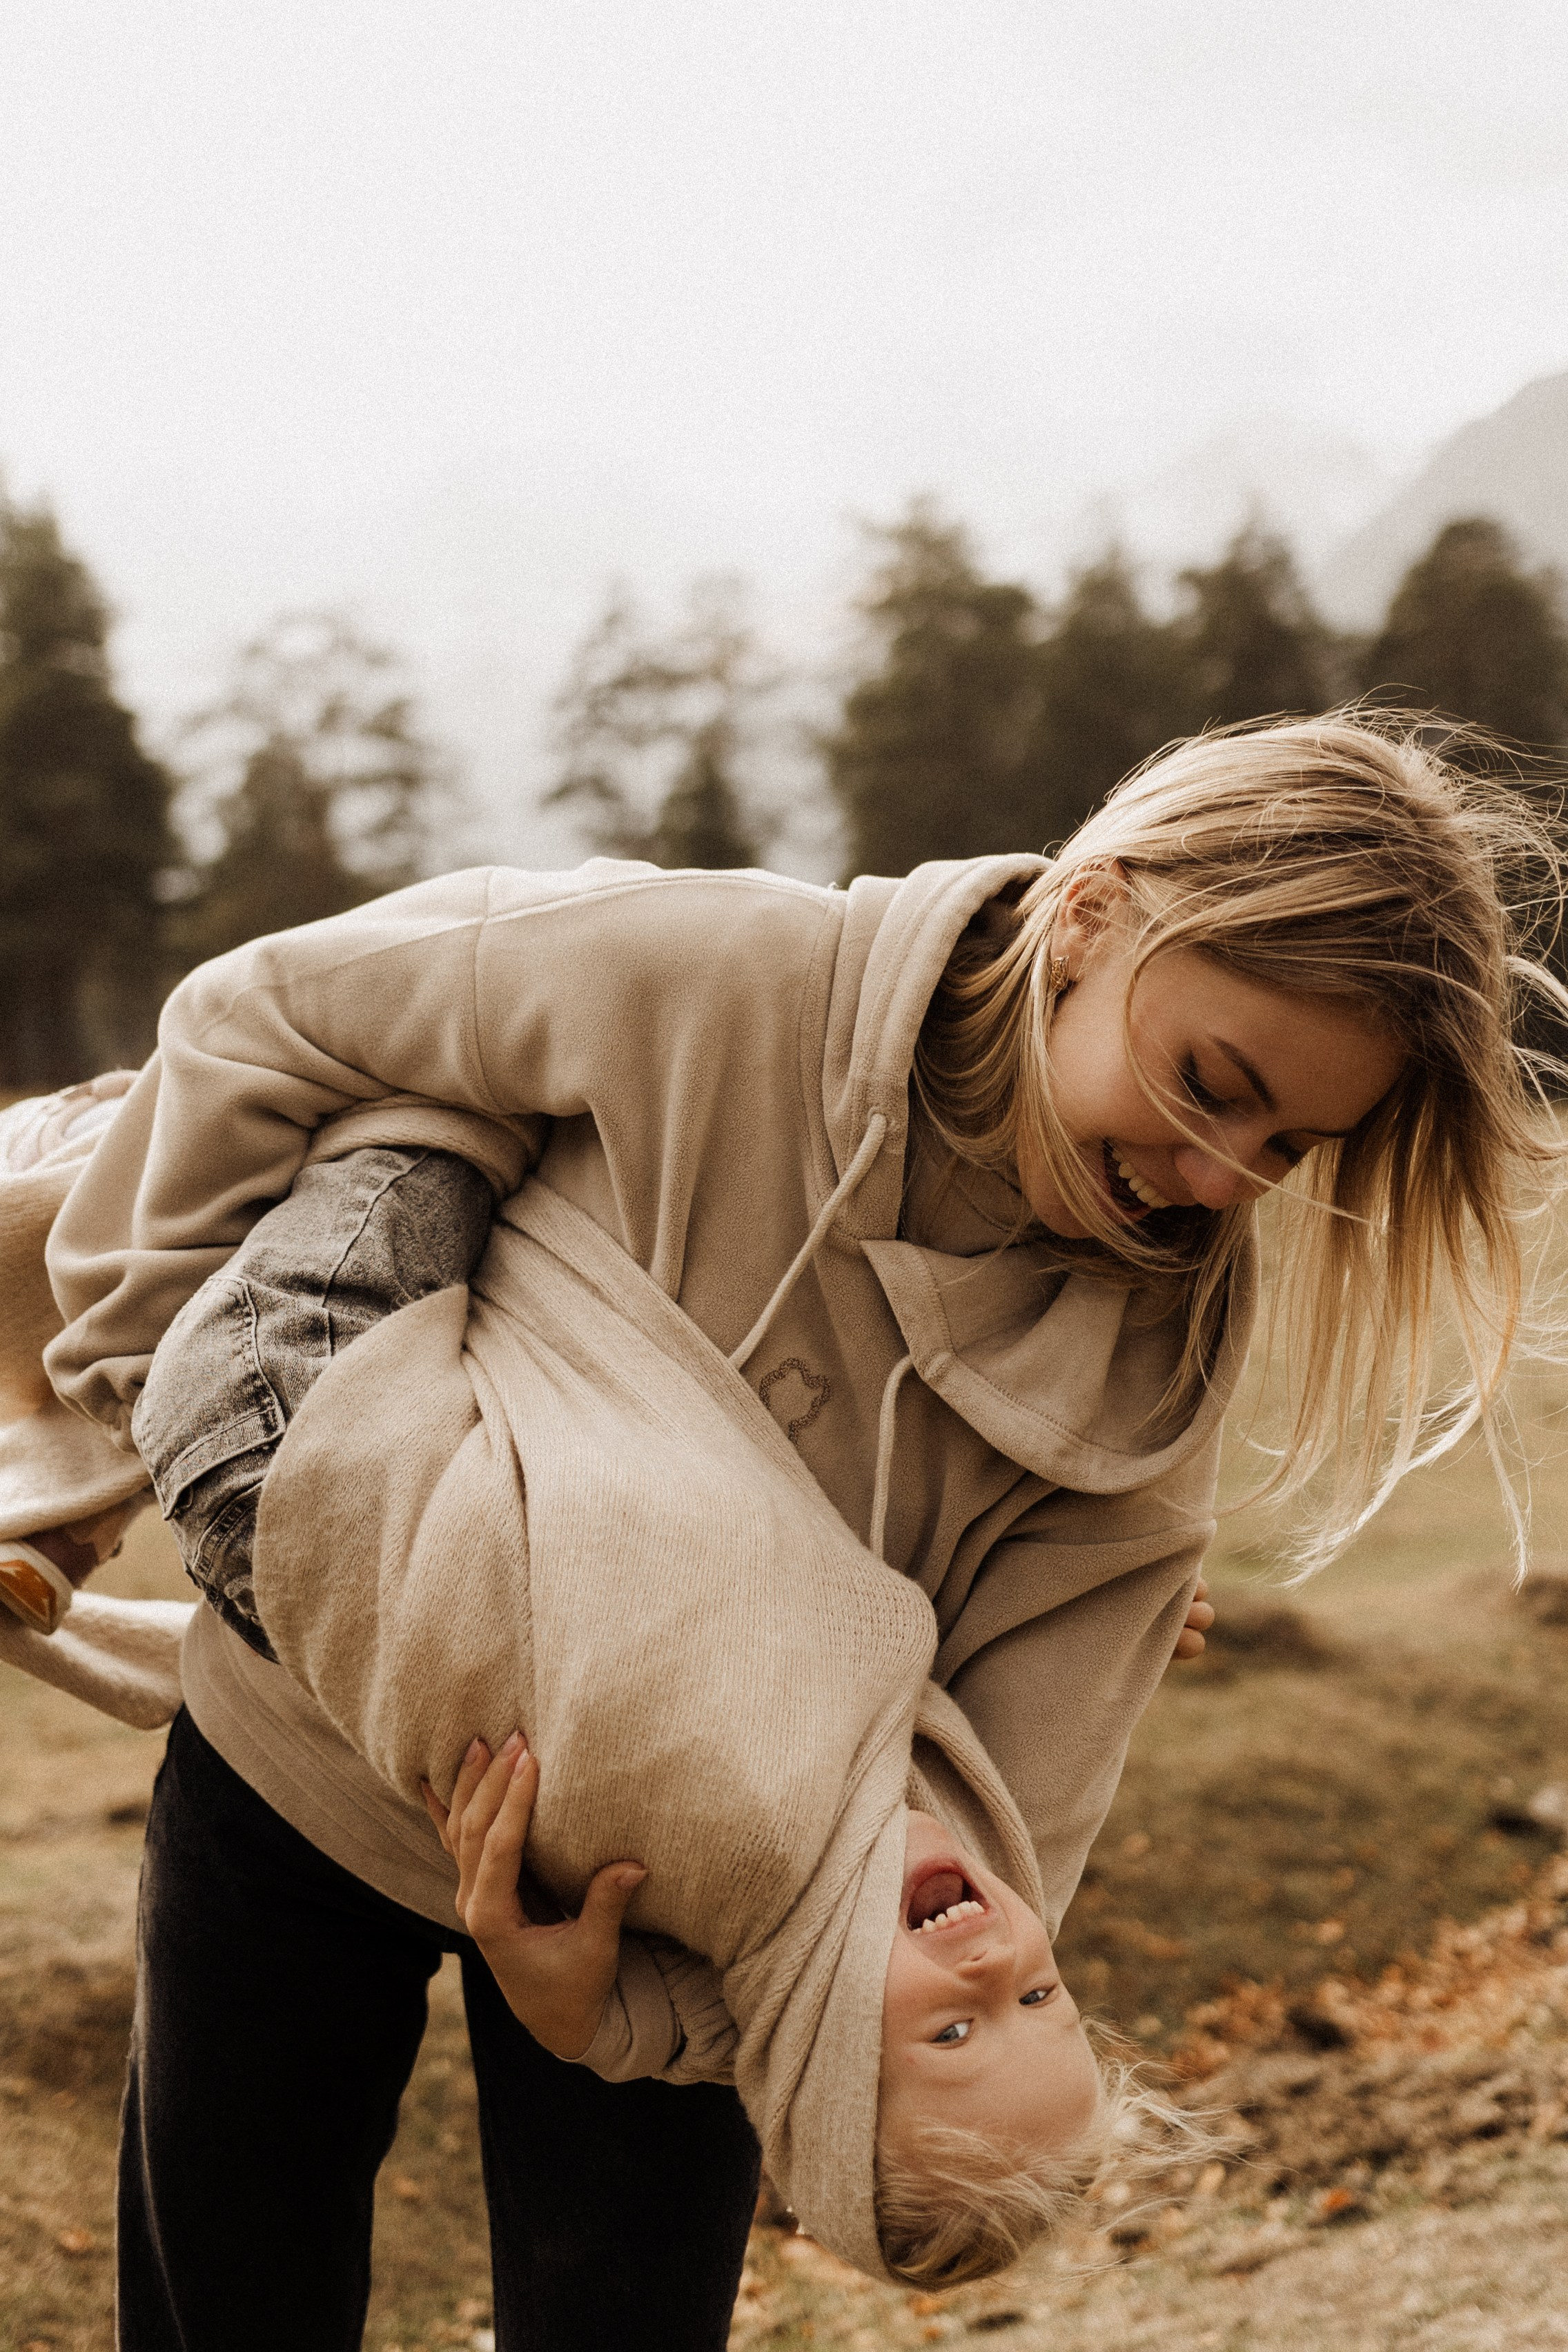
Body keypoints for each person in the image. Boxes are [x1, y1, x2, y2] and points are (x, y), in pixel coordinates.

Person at [9, 711, 1560, 2348]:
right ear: (1090, 916)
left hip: (679, 1918)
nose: (1214, 1176)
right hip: (300, 1765)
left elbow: (1000, 1836)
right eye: (1208, 1086)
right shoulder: (712, 972)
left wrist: (629, 2015)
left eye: (1282, 1148)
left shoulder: (1158, 1342)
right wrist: (146, 1359)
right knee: (224, 2298)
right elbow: (258, 1021)